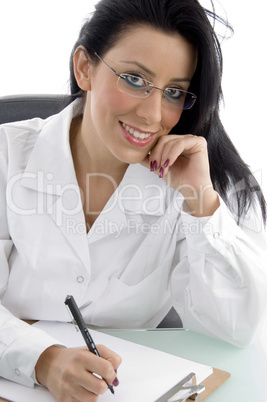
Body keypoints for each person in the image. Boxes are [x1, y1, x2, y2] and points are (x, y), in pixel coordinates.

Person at [0, 0, 267, 400]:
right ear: (84, 68)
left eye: (175, 91)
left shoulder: (189, 182)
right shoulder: (8, 156)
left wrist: (201, 202)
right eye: (134, 79)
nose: (152, 114)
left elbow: (236, 328)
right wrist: (44, 359)